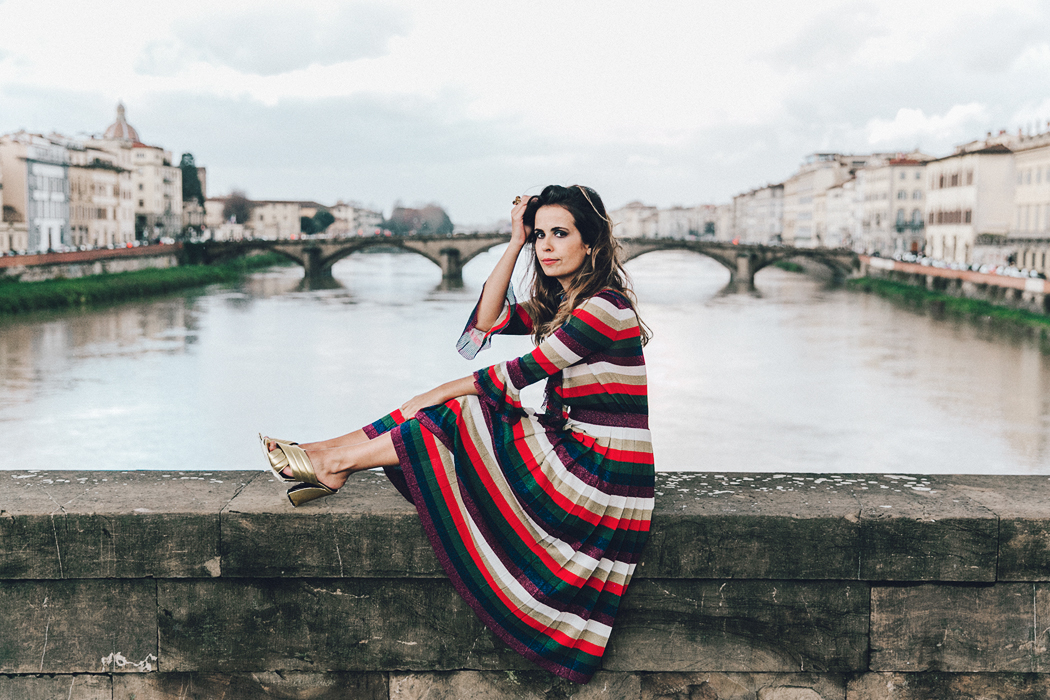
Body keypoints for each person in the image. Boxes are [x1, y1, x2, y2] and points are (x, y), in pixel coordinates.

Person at [261, 184, 654, 684]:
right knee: (456, 407)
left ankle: (334, 461)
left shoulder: (604, 306)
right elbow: (487, 322)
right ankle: (327, 452)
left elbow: (521, 373)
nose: (547, 246)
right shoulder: (563, 302)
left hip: (603, 471)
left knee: (459, 407)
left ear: (591, 243)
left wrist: (435, 391)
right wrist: (513, 242)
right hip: (580, 450)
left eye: (560, 233)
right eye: (540, 236)